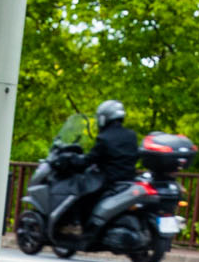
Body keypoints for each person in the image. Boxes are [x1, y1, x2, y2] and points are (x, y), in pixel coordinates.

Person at [54, 99, 140, 236]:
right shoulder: (131, 135)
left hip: (108, 180)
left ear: (104, 118)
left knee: (79, 191)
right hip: (128, 179)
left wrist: (72, 159)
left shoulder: (105, 137)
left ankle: (75, 225)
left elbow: (89, 160)